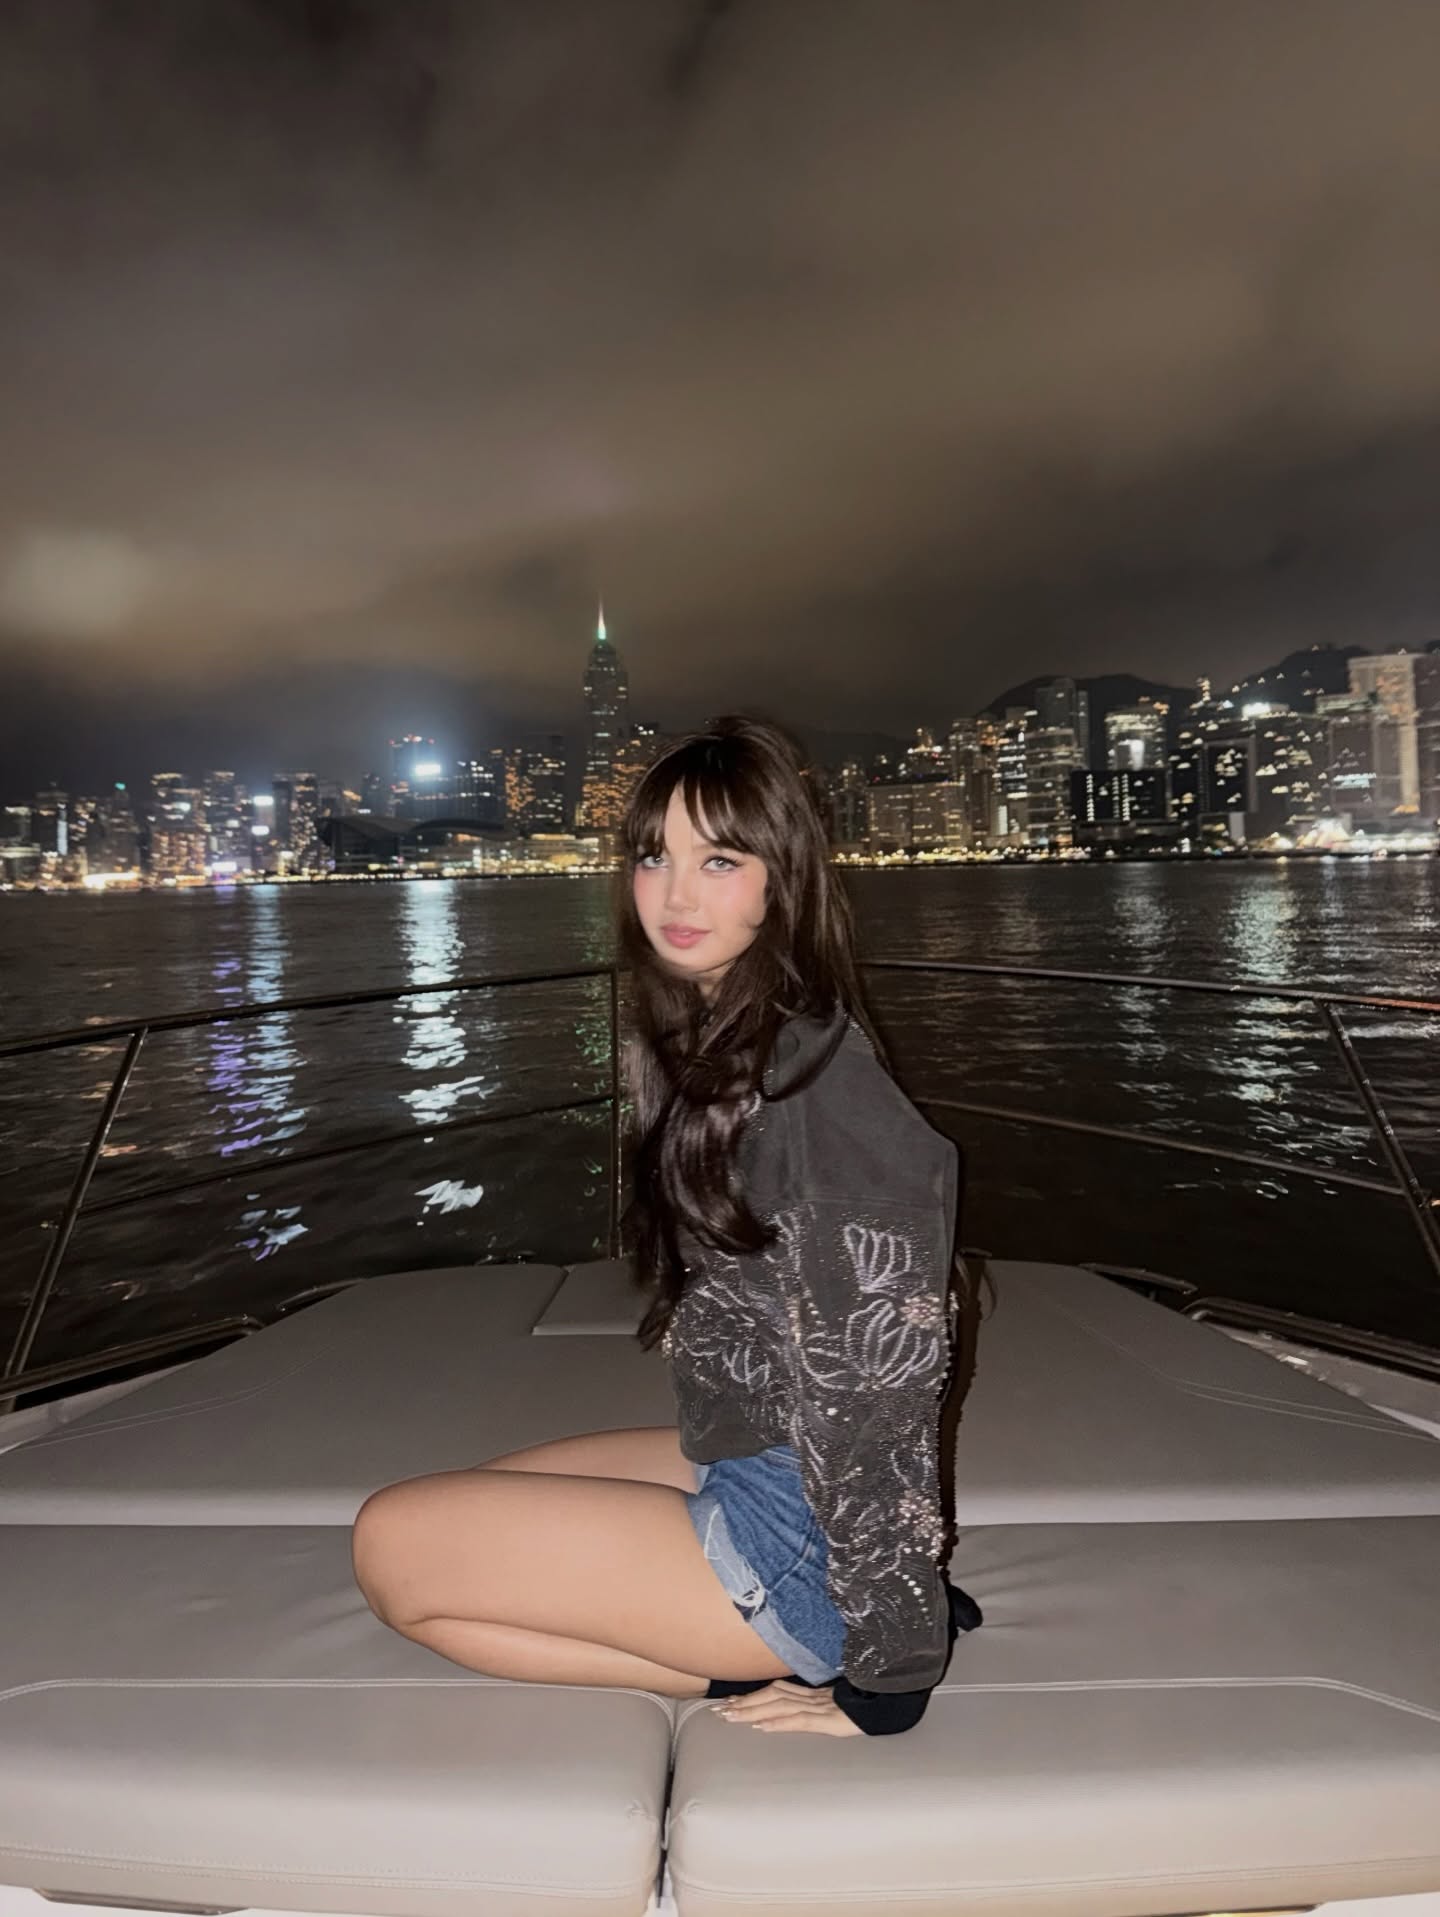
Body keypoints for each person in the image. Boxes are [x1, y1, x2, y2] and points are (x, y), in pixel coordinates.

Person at [351, 713, 980, 1740]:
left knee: (390, 1552)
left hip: (799, 1538)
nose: (676, 896)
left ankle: (779, 1647)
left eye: (719, 860)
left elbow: (878, 1391)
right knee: (467, 1498)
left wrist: (892, 1669)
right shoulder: (725, 1031)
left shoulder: (820, 1089)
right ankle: (750, 1643)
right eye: (654, 856)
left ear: (782, 879)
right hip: (760, 1461)